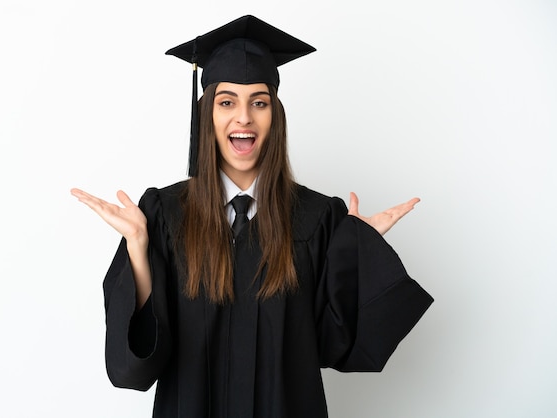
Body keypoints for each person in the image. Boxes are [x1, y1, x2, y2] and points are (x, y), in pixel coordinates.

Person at [71, 15, 433, 418]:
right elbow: (133, 369)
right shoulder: (164, 215)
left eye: (258, 102)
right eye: (227, 102)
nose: (243, 117)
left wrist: (355, 253)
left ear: (274, 116)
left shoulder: (319, 218)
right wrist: (139, 251)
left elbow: (336, 344)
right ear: (206, 114)